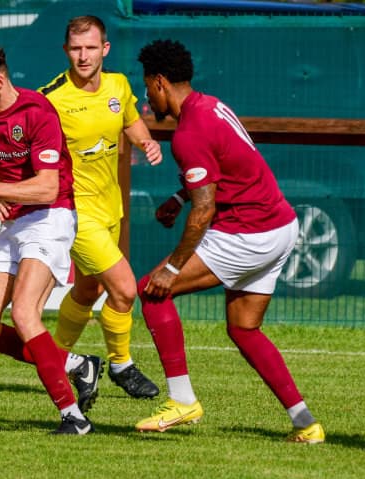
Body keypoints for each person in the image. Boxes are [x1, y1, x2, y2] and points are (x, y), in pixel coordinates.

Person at [132, 39, 323, 443]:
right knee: (244, 328)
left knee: (152, 290)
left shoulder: (188, 132)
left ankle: (182, 400)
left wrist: (171, 268)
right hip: (280, 225)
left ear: (160, 81)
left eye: (147, 86)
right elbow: (228, 168)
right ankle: (306, 423)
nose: (147, 96)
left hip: (247, 233)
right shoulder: (211, 105)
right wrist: (179, 197)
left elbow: (204, 211)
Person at [0, 43, 91, 434]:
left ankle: (73, 417)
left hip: (51, 216)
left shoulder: (37, 112)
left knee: (25, 313)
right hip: (14, 219)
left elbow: (47, 188)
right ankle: (76, 365)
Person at [38, 15, 162, 407]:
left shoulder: (118, 85)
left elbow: (131, 122)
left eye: (91, 48)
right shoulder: (50, 98)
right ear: (65, 50)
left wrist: (146, 142)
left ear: (104, 49)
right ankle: (121, 364)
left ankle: (54, 361)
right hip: (75, 212)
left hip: (111, 207)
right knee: (124, 289)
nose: (83, 56)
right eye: (76, 48)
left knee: (88, 288)